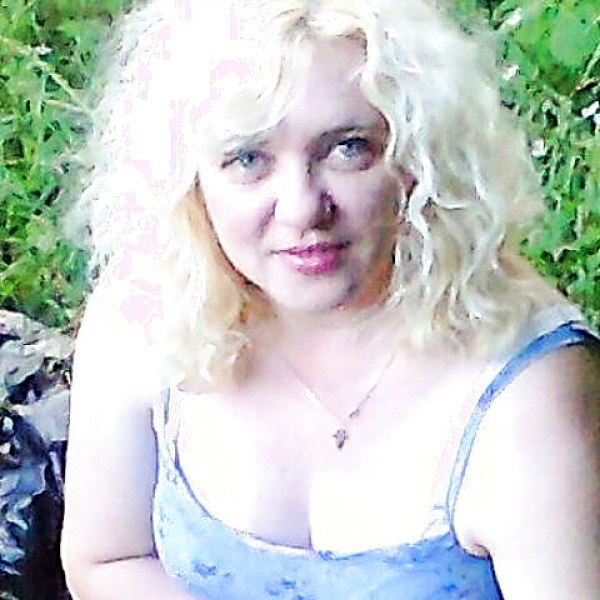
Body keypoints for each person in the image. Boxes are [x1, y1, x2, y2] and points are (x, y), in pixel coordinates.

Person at [59, 0, 600, 598]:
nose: (301, 209)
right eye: (248, 159)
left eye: (347, 149)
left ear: (419, 160)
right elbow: (107, 559)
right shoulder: (150, 304)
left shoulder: (528, 391)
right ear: (187, 177)